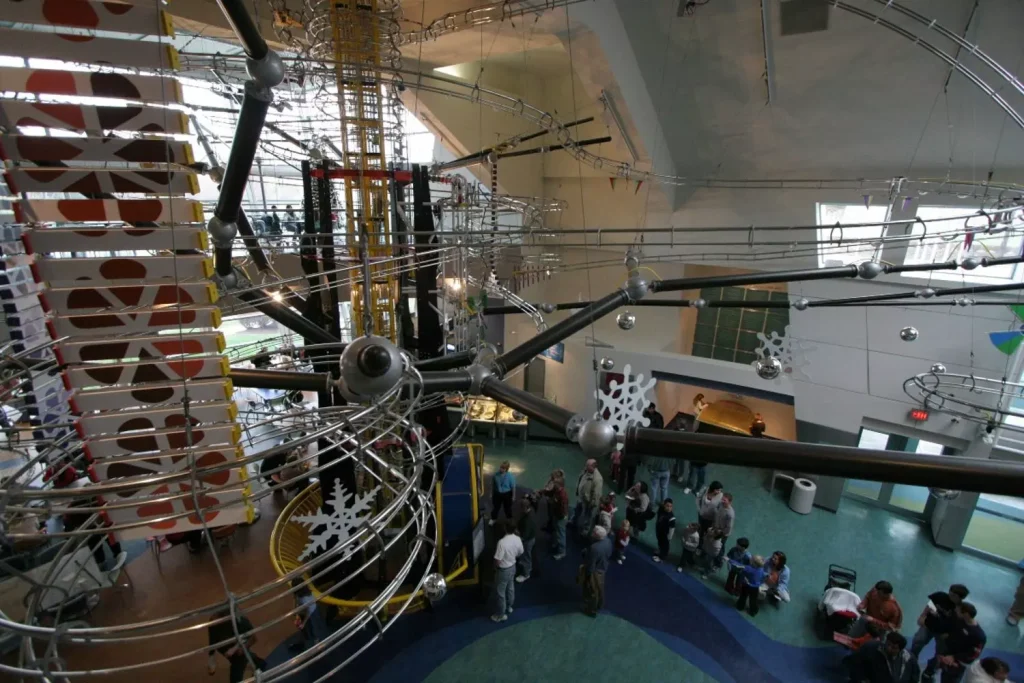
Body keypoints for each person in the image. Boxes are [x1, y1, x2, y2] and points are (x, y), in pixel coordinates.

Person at [924, 602, 986, 683]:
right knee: (930, 669)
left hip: (958, 661)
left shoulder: (978, 635)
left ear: (966, 614)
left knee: (948, 679)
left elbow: (974, 654)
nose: (956, 612)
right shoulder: (959, 620)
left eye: (958, 611)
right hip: (946, 652)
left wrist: (954, 657)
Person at [207, 608, 267, 682]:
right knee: (245, 657)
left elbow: (253, 638)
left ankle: (259, 663)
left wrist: (238, 648)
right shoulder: (213, 622)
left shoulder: (240, 621)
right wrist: (211, 656)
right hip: (227, 648)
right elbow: (212, 638)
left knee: (236, 671)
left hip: (239, 651)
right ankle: (259, 663)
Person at [912, 584, 970, 657]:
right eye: (950, 592)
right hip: (929, 624)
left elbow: (960, 623)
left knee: (941, 652)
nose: (950, 596)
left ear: (961, 598)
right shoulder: (940, 596)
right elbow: (931, 604)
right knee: (918, 640)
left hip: (943, 632)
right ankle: (912, 657)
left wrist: (949, 634)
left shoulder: (961, 609)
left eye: (954, 595)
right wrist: (923, 616)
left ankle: (933, 665)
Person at [844, 632, 921, 683]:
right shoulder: (871, 648)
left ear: (900, 650)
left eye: (893, 647)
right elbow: (855, 662)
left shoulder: (909, 659)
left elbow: (914, 677)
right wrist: (861, 679)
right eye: (888, 644)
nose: (889, 648)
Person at [491, 520, 523, 623]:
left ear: (505, 528)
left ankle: (500, 615)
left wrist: (495, 567)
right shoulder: (517, 539)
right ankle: (509, 607)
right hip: (513, 567)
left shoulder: (502, 542)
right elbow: (520, 552)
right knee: (510, 588)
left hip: (503, 570)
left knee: (500, 592)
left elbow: (498, 560)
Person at [581, 525, 613, 617]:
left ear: (596, 536)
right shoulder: (608, 541)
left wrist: (588, 575)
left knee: (592, 591)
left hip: (595, 571)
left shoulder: (594, 548)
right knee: (600, 589)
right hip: (603, 568)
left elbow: (591, 564)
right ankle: (600, 605)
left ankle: (592, 610)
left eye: (593, 532)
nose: (592, 534)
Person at [290, 579, 327, 650]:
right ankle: (302, 642)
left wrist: (303, 623)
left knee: (313, 629)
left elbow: (309, 612)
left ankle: (317, 645)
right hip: (305, 611)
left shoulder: (305, 599)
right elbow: (295, 600)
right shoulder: (299, 593)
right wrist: (297, 613)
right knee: (305, 630)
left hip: (311, 614)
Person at [541, 470, 569, 560]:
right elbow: (548, 492)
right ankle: (557, 543)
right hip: (556, 514)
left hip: (560, 516)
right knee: (556, 530)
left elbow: (564, 507)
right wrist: (541, 492)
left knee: (561, 533)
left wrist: (563, 516)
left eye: (555, 484)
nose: (553, 485)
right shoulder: (556, 490)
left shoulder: (562, 494)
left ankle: (562, 552)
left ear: (559, 485)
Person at [573, 459, 603, 538]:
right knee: (577, 509)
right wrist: (577, 490)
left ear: (593, 467)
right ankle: (573, 520)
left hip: (588, 502)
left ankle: (585, 531)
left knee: (588, 517)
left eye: (587, 465)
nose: (585, 466)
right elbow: (580, 479)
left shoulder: (597, 479)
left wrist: (592, 504)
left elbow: (597, 494)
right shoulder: (585, 471)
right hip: (581, 497)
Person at [515, 495, 537, 583]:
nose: (519, 510)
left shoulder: (528, 520)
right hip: (530, 537)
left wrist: (516, 532)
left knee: (525, 556)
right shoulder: (531, 512)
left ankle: (526, 574)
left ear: (525, 507)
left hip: (528, 541)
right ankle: (529, 567)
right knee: (526, 555)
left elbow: (525, 536)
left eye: (521, 508)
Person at [490, 460, 516, 526]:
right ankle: (493, 519)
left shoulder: (510, 476)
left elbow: (513, 487)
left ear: (506, 469)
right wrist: (491, 493)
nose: (501, 469)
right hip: (497, 494)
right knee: (496, 507)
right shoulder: (495, 475)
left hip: (507, 494)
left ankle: (509, 519)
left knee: (507, 508)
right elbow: (492, 485)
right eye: (501, 467)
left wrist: (513, 496)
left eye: (503, 468)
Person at [711, 492, 735, 564]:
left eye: (725, 500)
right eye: (722, 499)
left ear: (730, 502)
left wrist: (721, 532)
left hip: (723, 533)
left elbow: (729, 527)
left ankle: (718, 562)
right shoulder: (721, 505)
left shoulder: (730, 514)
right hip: (716, 527)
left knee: (720, 546)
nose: (722, 501)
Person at [653, 498, 676, 563]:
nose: (669, 508)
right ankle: (660, 550)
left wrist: (669, 538)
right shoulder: (661, 509)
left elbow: (672, 529)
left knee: (665, 546)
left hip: (666, 534)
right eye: (667, 506)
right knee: (660, 542)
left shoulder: (672, 518)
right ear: (664, 505)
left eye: (670, 506)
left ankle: (662, 557)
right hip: (659, 530)